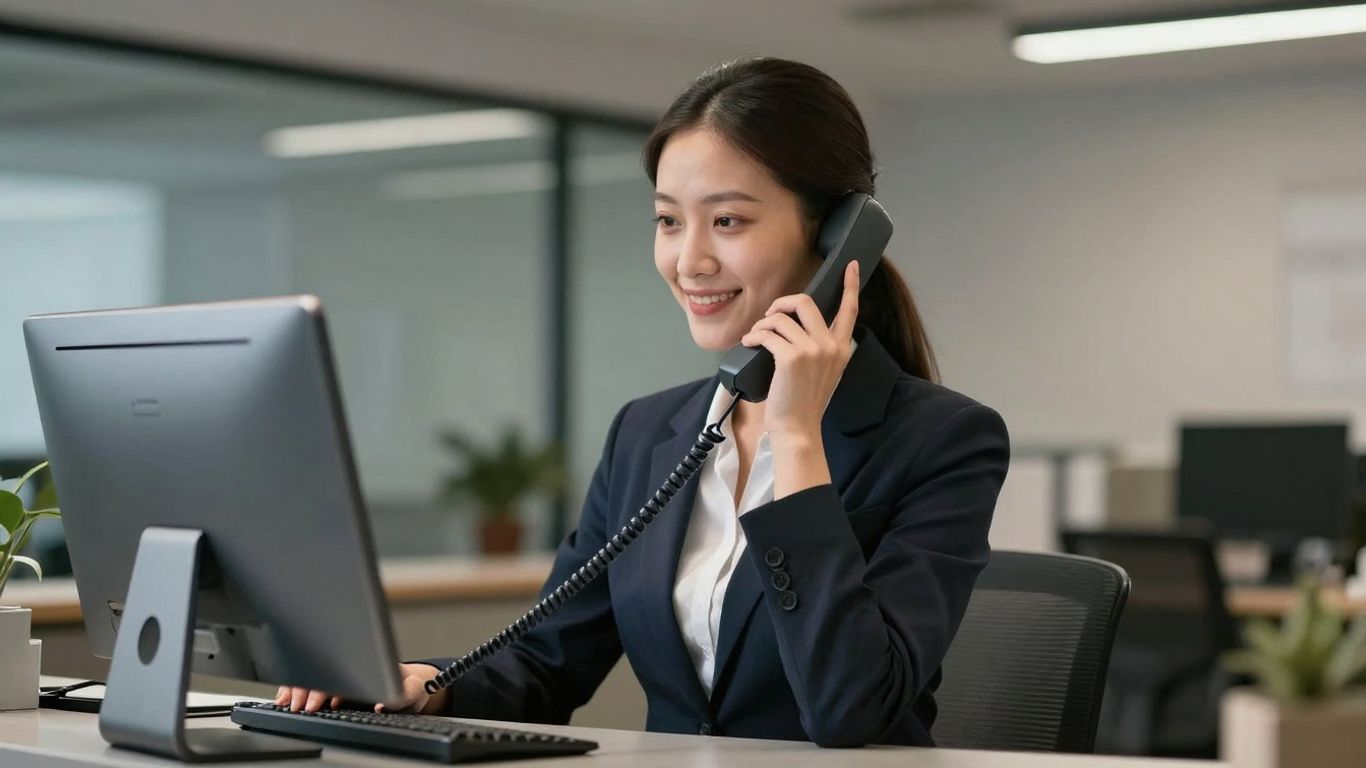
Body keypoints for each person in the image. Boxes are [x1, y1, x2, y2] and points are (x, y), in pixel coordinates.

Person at [279, 56, 1009, 748]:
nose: (688, 260)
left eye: (727, 221)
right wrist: (424, 687)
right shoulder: (650, 432)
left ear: (836, 238)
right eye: (668, 220)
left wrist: (795, 437)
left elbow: (852, 708)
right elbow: (545, 662)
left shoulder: (944, 441)